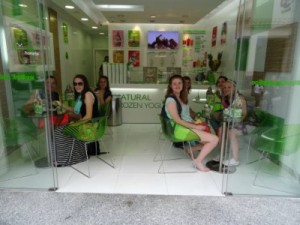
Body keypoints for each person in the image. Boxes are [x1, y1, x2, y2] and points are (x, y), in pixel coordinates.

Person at [164, 74, 219, 172]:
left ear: (183, 85)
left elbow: (185, 116)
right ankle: (198, 161)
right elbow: (178, 120)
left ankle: (190, 149)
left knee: (210, 140)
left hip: (185, 127)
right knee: (214, 139)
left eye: (179, 83)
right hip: (180, 129)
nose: (177, 85)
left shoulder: (180, 98)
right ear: (170, 86)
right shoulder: (171, 100)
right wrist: (196, 127)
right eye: (174, 84)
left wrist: (196, 122)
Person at [221, 80, 248, 166]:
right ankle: (222, 153)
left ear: (234, 88)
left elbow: (244, 113)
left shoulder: (239, 98)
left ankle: (235, 159)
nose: (226, 89)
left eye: (229, 87)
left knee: (231, 132)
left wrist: (228, 113)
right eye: (224, 87)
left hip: (247, 124)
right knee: (221, 129)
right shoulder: (227, 98)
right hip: (235, 123)